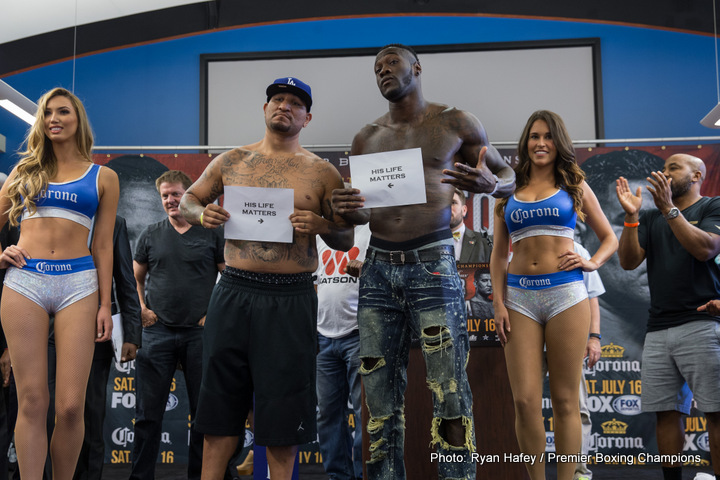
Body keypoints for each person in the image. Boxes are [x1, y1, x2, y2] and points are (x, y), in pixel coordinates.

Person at [331, 43, 515, 479]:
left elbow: (509, 175)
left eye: (391, 63)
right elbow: (364, 211)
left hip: (432, 260)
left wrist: (491, 184)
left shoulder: (456, 122)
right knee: (377, 396)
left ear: (416, 67)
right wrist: (343, 207)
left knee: (449, 389)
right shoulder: (365, 137)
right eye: (376, 68)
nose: (382, 72)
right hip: (377, 264)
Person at [180, 76, 353, 480]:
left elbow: (344, 238)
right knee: (220, 405)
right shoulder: (231, 160)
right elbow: (190, 198)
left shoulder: (322, 172)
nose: (284, 106)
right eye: (278, 99)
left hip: (291, 297)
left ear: (307, 118)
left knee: (282, 413)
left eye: (295, 103)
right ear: (265, 108)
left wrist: (323, 222)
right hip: (235, 290)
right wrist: (200, 214)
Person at [490, 110, 617, 480]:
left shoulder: (574, 184)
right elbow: (498, 255)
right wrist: (498, 302)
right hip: (519, 299)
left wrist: (591, 261)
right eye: (533, 136)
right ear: (525, 143)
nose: (540, 143)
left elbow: (609, 237)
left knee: (565, 401)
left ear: (558, 142)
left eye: (547, 136)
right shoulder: (507, 189)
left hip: (567, 296)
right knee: (525, 401)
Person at [0, 87, 119, 480]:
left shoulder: (104, 176)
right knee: (32, 400)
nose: (54, 118)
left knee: (70, 406)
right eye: (47, 113)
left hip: (78, 285)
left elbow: (103, 245)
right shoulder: (23, 172)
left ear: (78, 119)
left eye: (63, 112)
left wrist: (105, 304)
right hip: (25, 282)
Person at [616, 153, 720, 480]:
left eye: (673, 167)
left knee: (716, 414)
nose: (664, 172)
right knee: (665, 413)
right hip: (658, 328)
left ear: (697, 175)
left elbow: (705, 249)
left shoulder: (711, 207)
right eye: (664, 167)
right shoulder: (649, 217)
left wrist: (669, 210)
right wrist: (632, 217)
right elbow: (628, 262)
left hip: (702, 324)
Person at [130, 170, 225, 480]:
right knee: (147, 416)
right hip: (157, 333)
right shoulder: (150, 234)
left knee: (202, 416)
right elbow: (135, 278)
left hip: (200, 333)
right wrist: (142, 308)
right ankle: (140, 477)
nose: (171, 200)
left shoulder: (211, 233)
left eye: (176, 194)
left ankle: (200, 476)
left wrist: (214, 314)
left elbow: (228, 278)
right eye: (165, 195)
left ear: (190, 196)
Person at [577, 150, 665, 360]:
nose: (651, 242)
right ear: (581, 235)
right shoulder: (562, 338)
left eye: (660, 220)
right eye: (626, 221)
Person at [73, 215, 142, 480]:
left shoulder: (114, 222)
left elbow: (125, 278)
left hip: (97, 331)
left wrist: (132, 334)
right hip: (47, 326)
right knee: (41, 413)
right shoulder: (44, 209)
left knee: (91, 413)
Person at [542, 241, 604, 480]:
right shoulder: (518, 244)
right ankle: (517, 469)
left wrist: (595, 337)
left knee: (577, 409)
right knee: (525, 408)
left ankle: (578, 472)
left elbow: (591, 296)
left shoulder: (576, 250)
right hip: (528, 340)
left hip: (568, 339)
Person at [315, 223, 371, 480]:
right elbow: (315, 281)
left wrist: (367, 269)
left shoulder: (372, 230)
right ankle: (338, 476)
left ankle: (362, 474)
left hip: (358, 333)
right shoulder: (320, 233)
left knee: (364, 413)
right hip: (323, 336)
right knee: (327, 413)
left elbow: (384, 271)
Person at [451, 188, 492, 263]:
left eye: (453, 202)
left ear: (464, 210)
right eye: (443, 203)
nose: (447, 208)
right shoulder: (428, 245)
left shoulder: (486, 243)